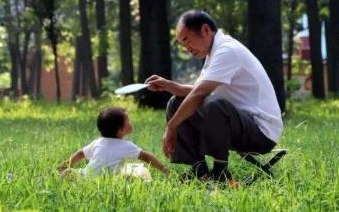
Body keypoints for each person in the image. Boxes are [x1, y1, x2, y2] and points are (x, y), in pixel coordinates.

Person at [146, 10, 283, 184]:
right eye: (182, 44)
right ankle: (199, 170)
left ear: (205, 30)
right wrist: (168, 85)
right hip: (238, 124)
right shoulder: (214, 53)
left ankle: (220, 174)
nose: (187, 48)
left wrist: (172, 126)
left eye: (187, 40)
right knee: (176, 103)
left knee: (214, 105)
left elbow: (200, 93)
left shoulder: (227, 50)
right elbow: (197, 90)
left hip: (261, 132)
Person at [60, 107, 170, 177]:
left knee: (72, 173)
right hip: (108, 180)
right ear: (121, 130)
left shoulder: (98, 142)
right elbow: (146, 157)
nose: (131, 122)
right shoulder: (126, 146)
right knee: (141, 170)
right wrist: (164, 169)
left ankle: (66, 174)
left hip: (87, 175)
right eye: (128, 120)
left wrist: (67, 163)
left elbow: (80, 153)